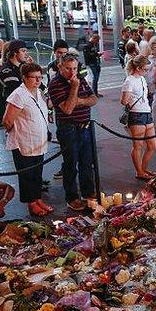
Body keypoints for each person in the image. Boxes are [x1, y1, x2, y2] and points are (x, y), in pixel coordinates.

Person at [48, 53, 98, 210]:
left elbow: (94, 99)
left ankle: (88, 192)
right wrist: (74, 88)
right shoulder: (55, 84)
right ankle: (72, 197)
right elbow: (67, 109)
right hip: (69, 128)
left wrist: (80, 100)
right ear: (60, 67)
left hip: (85, 126)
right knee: (70, 164)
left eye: (75, 68)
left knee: (87, 162)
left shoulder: (80, 79)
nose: (72, 72)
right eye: (68, 68)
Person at [3, 63, 52, 217]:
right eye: (34, 77)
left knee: (37, 173)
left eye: (40, 77)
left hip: (39, 141)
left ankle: (37, 198)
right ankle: (31, 203)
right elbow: (7, 120)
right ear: (24, 78)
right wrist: (20, 131)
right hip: (24, 142)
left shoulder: (38, 92)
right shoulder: (18, 95)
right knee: (27, 175)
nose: (38, 80)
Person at [120, 55, 156, 180]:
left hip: (146, 112)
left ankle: (143, 168)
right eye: (145, 69)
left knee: (152, 145)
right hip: (136, 114)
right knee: (138, 146)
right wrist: (128, 99)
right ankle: (139, 171)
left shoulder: (142, 79)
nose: (146, 72)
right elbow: (123, 101)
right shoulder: (129, 81)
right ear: (138, 68)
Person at [0, 40, 26, 127]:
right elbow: (17, 90)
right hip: (16, 112)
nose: (26, 54)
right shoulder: (7, 70)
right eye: (23, 51)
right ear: (15, 52)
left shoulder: (21, 67)